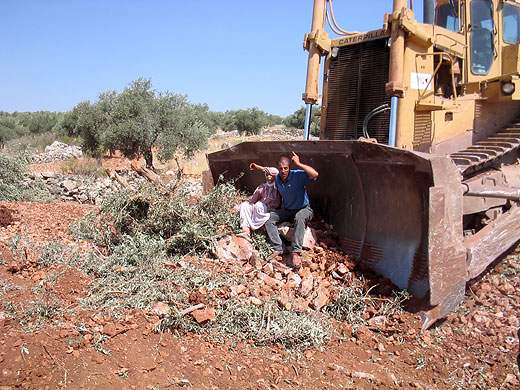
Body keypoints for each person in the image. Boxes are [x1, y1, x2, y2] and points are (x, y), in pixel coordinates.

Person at [265, 152, 318, 269]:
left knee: (299, 218)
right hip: (288, 210)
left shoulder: (297, 175)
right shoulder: (278, 179)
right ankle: (278, 247)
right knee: (268, 218)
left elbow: (315, 174)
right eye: (281, 168)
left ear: (290, 168)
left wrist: (298, 163)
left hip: (303, 209)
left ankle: (296, 252)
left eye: (286, 168)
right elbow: (279, 195)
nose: (283, 171)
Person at [237, 163, 281, 238]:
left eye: (270, 175)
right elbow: (252, 200)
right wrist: (241, 205)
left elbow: (276, 172)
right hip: (259, 208)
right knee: (245, 206)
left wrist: (258, 167)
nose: (268, 176)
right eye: (267, 175)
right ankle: (246, 231)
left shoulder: (278, 185)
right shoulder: (262, 187)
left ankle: (258, 226)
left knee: (259, 206)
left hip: (271, 210)